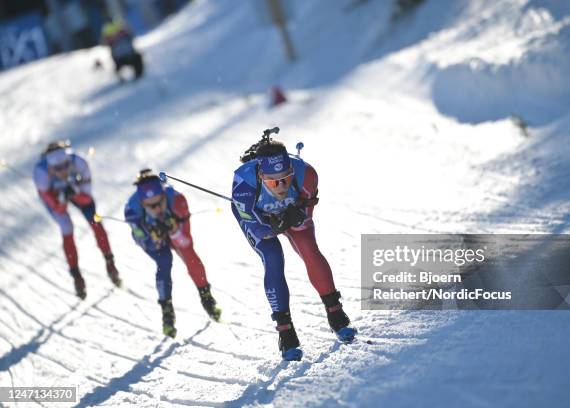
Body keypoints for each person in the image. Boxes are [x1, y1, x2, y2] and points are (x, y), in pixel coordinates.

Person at [231, 132, 357, 361]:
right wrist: (272, 224)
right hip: (259, 218)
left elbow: (306, 213)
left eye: (286, 178)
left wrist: (296, 214)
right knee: (273, 257)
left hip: (288, 212)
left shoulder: (306, 173)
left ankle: (336, 313)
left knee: (308, 247)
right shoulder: (243, 182)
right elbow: (253, 224)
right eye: (272, 182)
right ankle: (285, 331)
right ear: (260, 174)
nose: (281, 186)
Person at [124, 169, 221, 338]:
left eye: (159, 203)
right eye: (150, 205)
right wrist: (154, 239)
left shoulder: (177, 200)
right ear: (142, 202)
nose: (156, 209)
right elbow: (140, 239)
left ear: (164, 195)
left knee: (189, 255)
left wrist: (174, 231)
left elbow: (186, 242)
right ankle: (167, 311)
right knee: (164, 261)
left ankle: (207, 298)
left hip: (175, 231)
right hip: (151, 239)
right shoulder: (132, 210)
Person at [33, 141, 122, 299]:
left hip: (76, 191)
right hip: (53, 196)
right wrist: (60, 200)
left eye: (66, 165)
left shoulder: (79, 162)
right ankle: (76, 276)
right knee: (67, 227)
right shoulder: (41, 174)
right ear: (50, 167)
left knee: (94, 221)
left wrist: (75, 193)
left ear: (69, 159)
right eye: (58, 169)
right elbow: (56, 208)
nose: (63, 171)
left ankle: (110, 261)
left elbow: (87, 200)